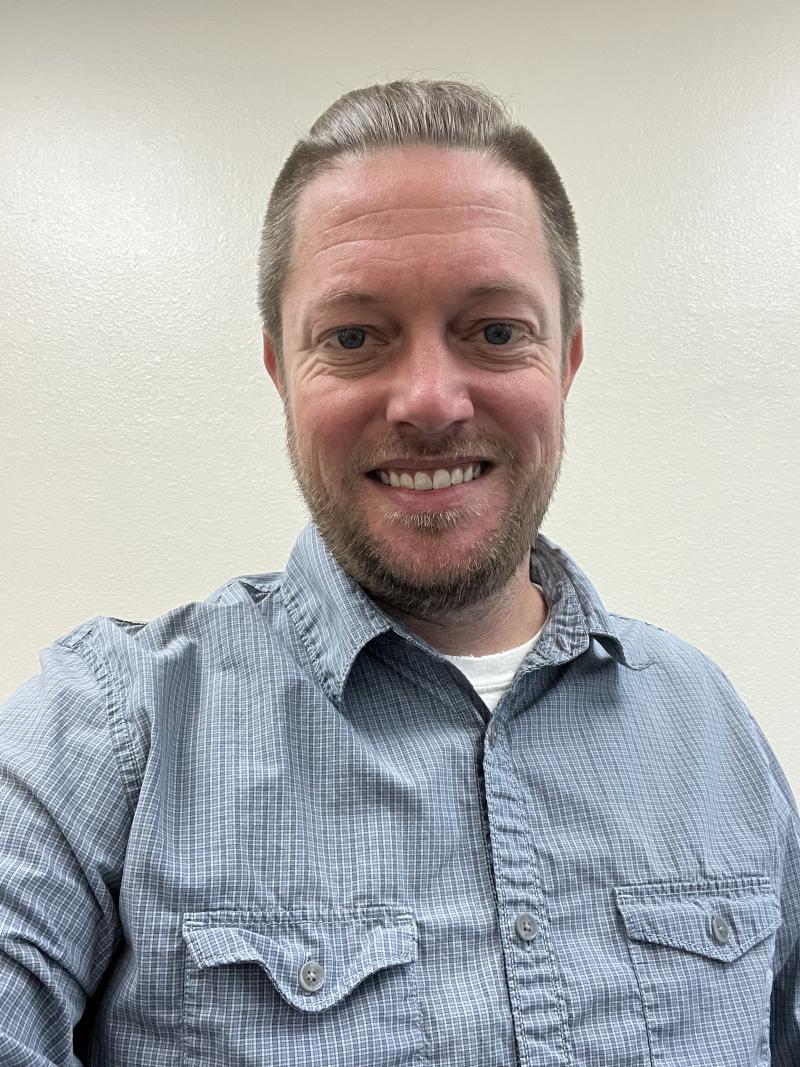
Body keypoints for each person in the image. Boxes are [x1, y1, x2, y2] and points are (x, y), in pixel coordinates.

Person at [0, 78, 797, 1066]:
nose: (428, 399)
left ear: (566, 362)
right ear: (280, 371)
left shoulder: (708, 727)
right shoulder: (108, 731)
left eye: (494, 330)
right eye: (353, 337)